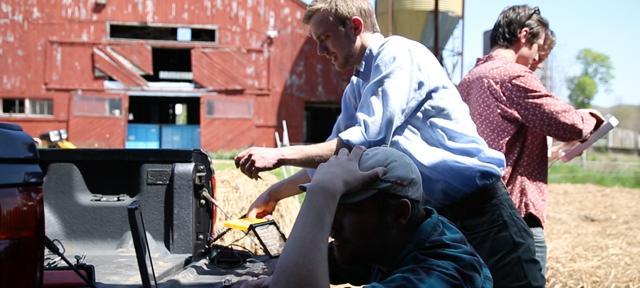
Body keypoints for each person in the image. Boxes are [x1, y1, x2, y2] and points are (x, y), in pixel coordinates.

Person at [235, 1, 544, 286]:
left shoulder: (396, 53)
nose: (319, 50)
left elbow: (367, 140)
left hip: (482, 214)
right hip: (434, 218)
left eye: (325, 38)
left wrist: (280, 156)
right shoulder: (358, 86)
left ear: (354, 27)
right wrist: (274, 193)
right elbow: (342, 158)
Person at [458, 5, 603, 276]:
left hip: (473, 211)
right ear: (524, 35)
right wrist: (591, 119)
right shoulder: (512, 75)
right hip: (513, 213)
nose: (538, 58)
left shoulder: (468, 79)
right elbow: (567, 124)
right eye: (537, 47)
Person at [236, 146, 493, 287]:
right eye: (332, 208)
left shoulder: (442, 274)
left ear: (399, 213)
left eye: (348, 210)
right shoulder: (390, 241)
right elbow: (320, 262)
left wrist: (322, 195)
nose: (331, 227)